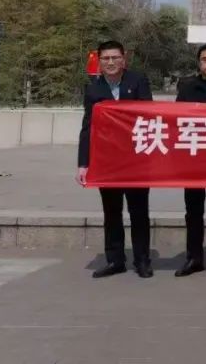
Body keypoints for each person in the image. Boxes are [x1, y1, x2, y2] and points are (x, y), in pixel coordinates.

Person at [76, 40, 154, 278]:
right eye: (106, 58)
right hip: (107, 161)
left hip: (135, 159)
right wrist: (83, 163)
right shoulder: (93, 89)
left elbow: (149, 116)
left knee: (139, 211)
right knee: (111, 212)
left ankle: (142, 260)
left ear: (124, 59)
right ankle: (115, 260)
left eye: (115, 57)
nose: (110, 62)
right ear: (99, 62)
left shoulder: (137, 81)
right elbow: (88, 127)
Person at [174, 44, 206, 278]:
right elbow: (175, 120)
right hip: (193, 158)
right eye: (205, 59)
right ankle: (194, 257)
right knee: (193, 210)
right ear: (199, 62)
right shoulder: (186, 87)